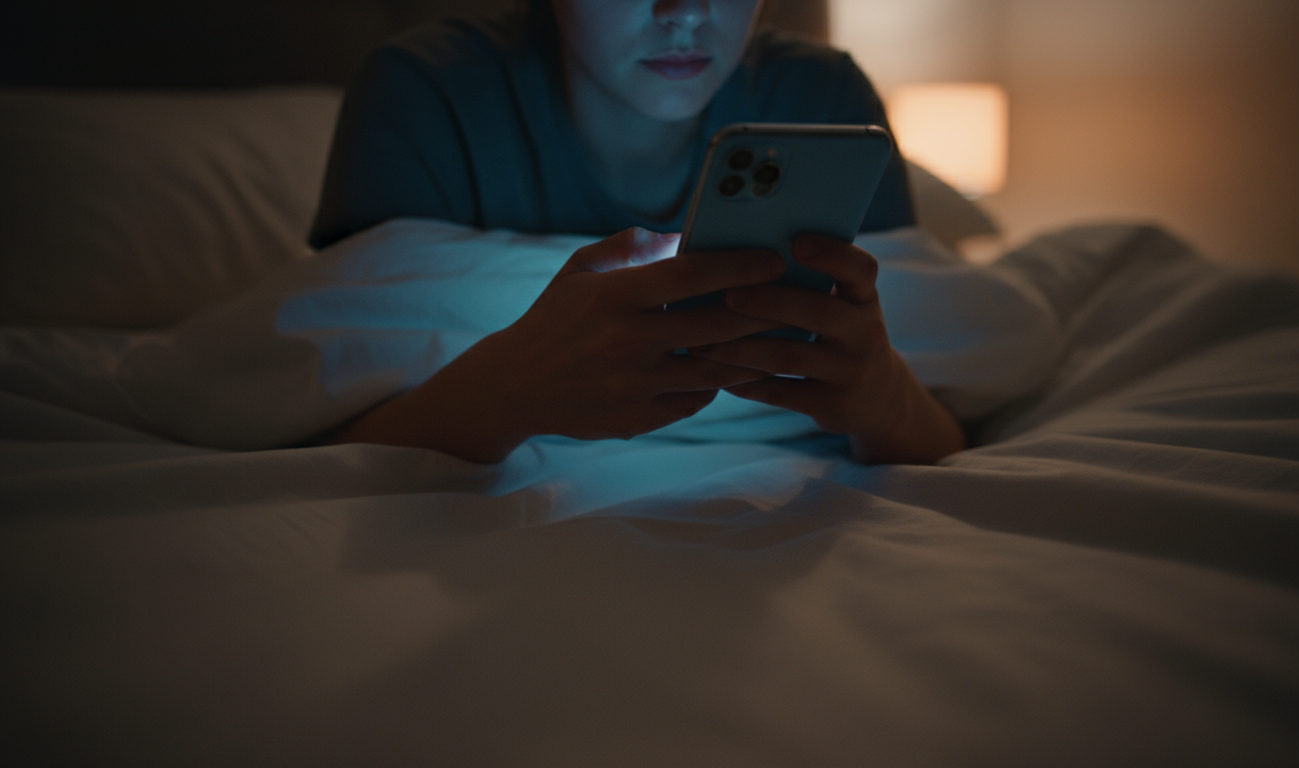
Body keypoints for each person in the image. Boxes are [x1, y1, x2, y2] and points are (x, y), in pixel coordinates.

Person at [314, 0, 965, 465]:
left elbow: (950, 427)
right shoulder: (428, 96)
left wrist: (885, 404)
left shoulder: (824, 98)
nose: (683, 12)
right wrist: (506, 393)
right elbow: (312, 430)